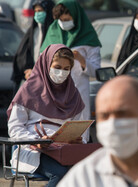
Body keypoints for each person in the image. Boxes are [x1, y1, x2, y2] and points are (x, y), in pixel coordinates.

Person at [7, 44, 86, 187]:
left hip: (65, 151)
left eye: (66, 69)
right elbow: (14, 127)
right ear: (46, 64)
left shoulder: (73, 94)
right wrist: (36, 141)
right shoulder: (29, 90)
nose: (61, 73)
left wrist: (77, 140)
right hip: (34, 150)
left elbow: (80, 128)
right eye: (57, 67)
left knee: (87, 174)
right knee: (61, 175)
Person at [40, 0, 102, 122]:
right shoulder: (52, 32)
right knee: (55, 132)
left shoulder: (88, 37)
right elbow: (41, 64)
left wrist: (81, 60)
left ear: (76, 16)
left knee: (78, 133)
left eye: (67, 19)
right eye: (61, 20)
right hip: (54, 93)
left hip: (78, 92)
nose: (64, 23)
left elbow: (97, 71)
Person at [11, 0, 55, 95]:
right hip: (29, 76)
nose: (38, 14)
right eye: (36, 11)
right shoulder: (33, 31)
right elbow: (22, 54)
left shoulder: (54, 33)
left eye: (41, 11)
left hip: (47, 79)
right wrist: (27, 70)